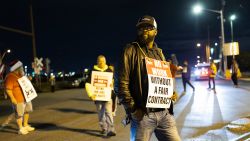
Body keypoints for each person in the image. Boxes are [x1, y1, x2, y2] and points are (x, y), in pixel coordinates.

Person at [118, 15, 181, 141]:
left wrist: (171, 93)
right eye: (141, 28)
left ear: (156, 31)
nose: (144, 30)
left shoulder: (159, 53)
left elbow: (162, 79)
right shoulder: (130, 50)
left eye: (148, 27)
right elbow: (120, 84)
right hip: (143, 115)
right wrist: (133, 109)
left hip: (165, 114)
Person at [85, 55, 116, 137]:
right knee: (101, 113)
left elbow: (113, 82)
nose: (102, 62)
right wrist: (90, 94)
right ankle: (104, 128)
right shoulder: (93, 71)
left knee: (109, 113)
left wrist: (112, 84)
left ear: (105, 61)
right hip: (97, 97)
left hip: (107, 96)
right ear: (97, 62)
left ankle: (111, 129)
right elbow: (88, 84)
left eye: (103, 61)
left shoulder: (109, 71)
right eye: (100, 61)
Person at [4, 60, 35, 135]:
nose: (22, 68)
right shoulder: (10, 77)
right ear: (17, 68)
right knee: (19, 114)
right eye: (21, 67)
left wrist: (29, 79)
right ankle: (20, 129)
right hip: (18, 99)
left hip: (26, 97)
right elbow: (8, 89)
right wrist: (12, 98)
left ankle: (25, 125)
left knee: (27, 111)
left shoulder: (21, 75)